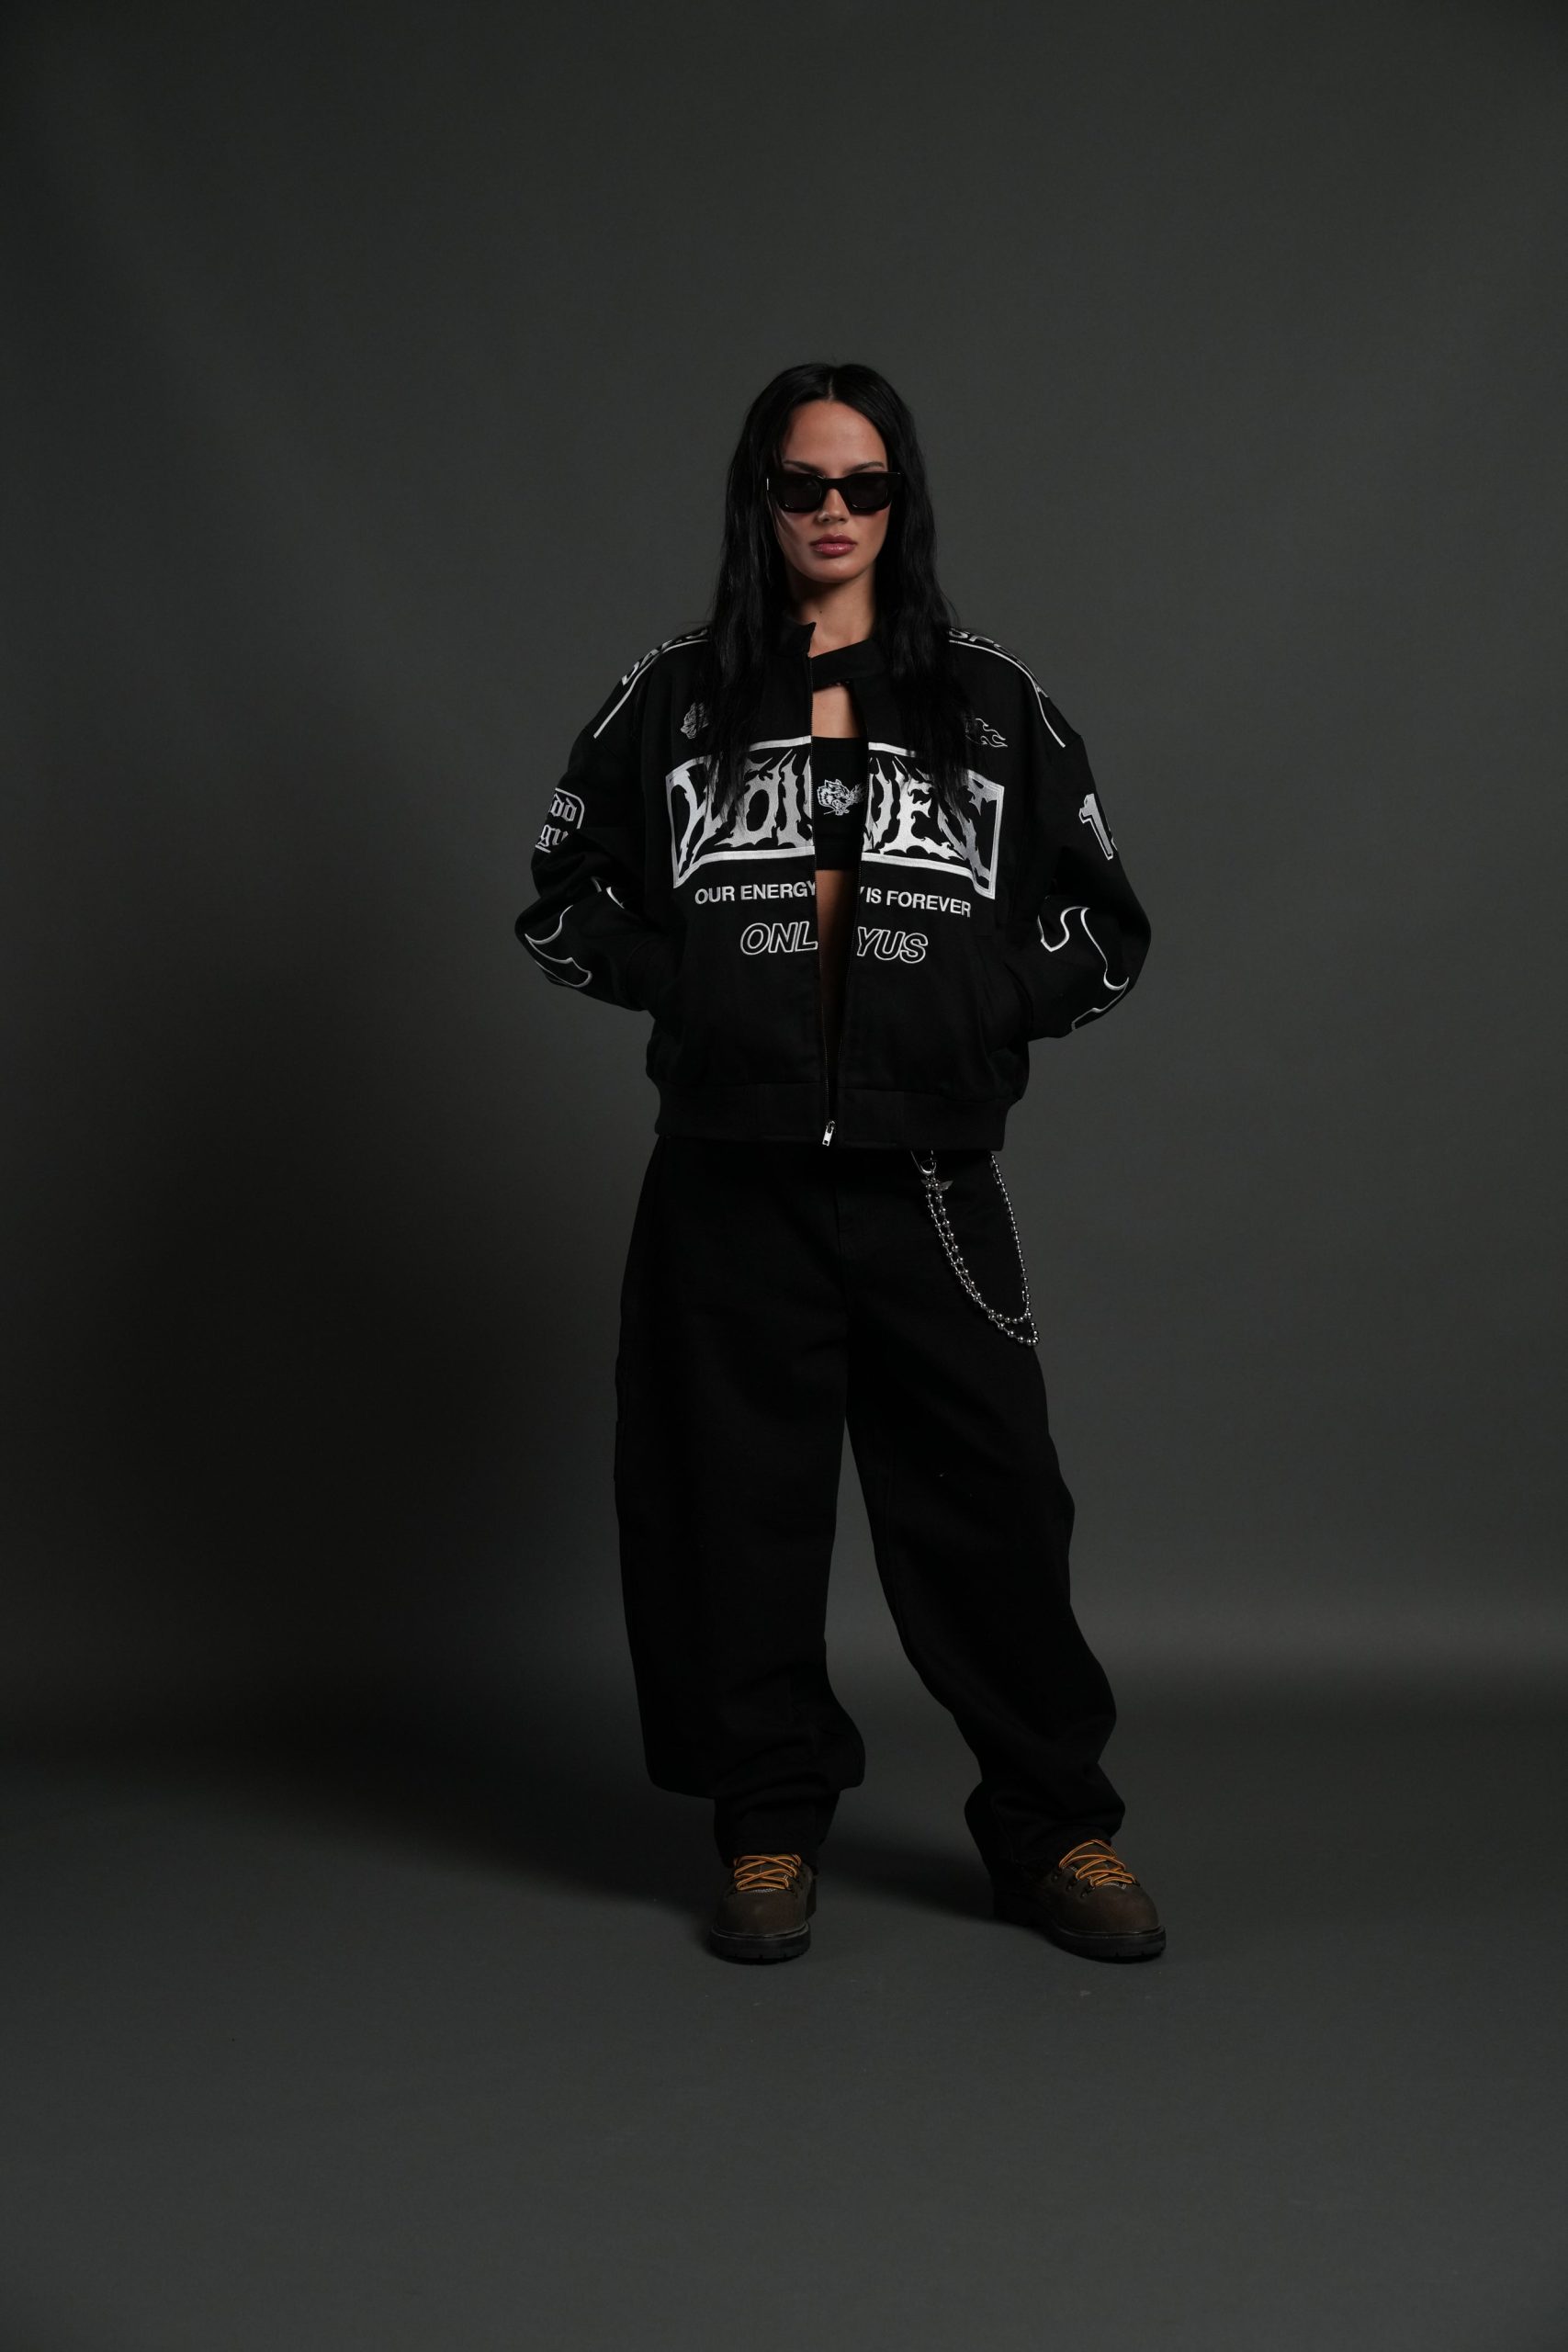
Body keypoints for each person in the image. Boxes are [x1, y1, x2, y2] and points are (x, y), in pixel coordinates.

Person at [515, 361, 1164, 1966]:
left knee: (993, 1509)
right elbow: (558, 897)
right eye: (802, 484)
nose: (831, 512)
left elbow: (1107, 926)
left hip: (927, 1174)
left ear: (900, 503)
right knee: (732, 1513)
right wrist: (692, 984)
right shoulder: (673, 697)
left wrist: (979, 1005)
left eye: (862, 485)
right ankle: (765, 1821)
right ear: (761, 499)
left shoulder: (989, 703)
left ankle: (1054, 1826)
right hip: (728, 1173)